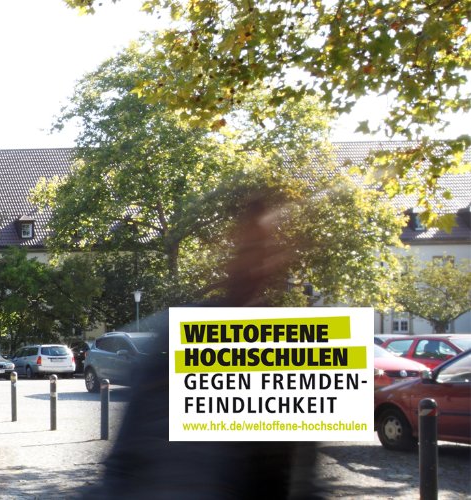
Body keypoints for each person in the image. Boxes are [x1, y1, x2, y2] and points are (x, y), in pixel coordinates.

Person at [83, 189, 323, 499]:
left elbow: (300, 480)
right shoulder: (178, 332)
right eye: (245, 248)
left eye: (263, 251)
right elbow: (126, 460)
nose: (251, 264)